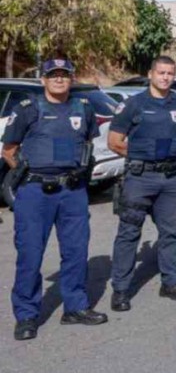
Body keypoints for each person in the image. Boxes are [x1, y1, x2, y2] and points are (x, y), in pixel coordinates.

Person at [3, 59, 110, 341]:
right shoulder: (28, 109)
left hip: (73, 192)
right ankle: (26, 315)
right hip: (36, 193)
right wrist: (30, 173)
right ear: (43, 80)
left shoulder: (84, 108)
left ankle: (75, 307)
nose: (59, 80)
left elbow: (86, 143)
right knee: (30, 255)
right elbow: (9, 150)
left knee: (76, 252)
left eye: (65, 75)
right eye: (53, 75)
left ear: (72, 79)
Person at [108, 55, 176, 311]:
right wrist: (145, 155)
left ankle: (170, 283)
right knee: (129, 233)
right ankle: (121, 290)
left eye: (170, 73)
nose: (166, 77)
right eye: (161, 73)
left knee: (172, 232)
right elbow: (115, 141)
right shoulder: (133, 104)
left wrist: (165, 156)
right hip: (140, 178)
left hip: (172, 179)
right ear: (150, 74)